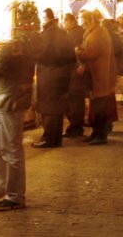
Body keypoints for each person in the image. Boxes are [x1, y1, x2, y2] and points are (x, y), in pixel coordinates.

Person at [0, 32, 35, 211]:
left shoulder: (14, 57)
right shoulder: (16, 55)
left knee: (11, 148)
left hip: (11, 101)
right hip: (4, 98)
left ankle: (15, 196)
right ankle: (2, 184)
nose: (15, 45)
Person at [33, 9, 76, 149]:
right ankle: (56, 138)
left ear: (47, 18)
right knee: (56, 107)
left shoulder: (48, 34)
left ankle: (49, 138)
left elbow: (42, 53)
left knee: (49, 107)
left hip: (50, 73)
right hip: (62, 74)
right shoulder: (61, 32)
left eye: (42, 17)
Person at [78, 12, 118, 145]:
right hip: (97, 74)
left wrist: (78, 52)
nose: (81, 23)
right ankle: (96, 133)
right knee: (96, 106)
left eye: (82, 20)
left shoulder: (98, 34)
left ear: (89, 20)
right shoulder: (97, 32)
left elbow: (91, 53)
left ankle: (101, 135)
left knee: (100, 107)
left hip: (99, 76)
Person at [63, 13, 88, 138]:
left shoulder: (74, 34)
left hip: (75, 71)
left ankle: (75, 127)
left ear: (72, 21)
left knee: (74, 100)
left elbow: (76, 52)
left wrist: (81, 63)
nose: (64, 24)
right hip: (76, 70)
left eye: (65, 21)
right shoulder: (79, 32)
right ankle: (77, 125)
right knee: (76, 100)